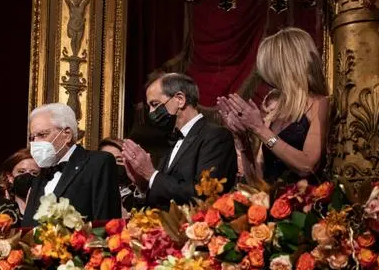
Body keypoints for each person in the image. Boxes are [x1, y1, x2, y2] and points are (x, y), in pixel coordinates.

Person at [216, 28, 330, 184]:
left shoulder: (319, 104)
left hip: (304, 203)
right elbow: (257, 180)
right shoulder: (274, 114)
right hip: (271, 204)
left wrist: (260, 129)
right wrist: (241, 138)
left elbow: (307, 166)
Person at [122, 73, 238, 209]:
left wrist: (151, 174)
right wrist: (143, 185)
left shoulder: (216, 136)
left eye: (155, 104)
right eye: (150, 107)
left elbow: (205, 196)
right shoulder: (172, 140)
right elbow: (162, 198)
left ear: (180, 99)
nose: (151, 113)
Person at [22, 103, 121, 227]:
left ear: (67, 134)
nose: (36, 142)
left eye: (42, 135)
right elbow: (28, 226)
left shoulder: (97, 163)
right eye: (32, 137)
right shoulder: (41, 174)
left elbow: (106, 223)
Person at [0, 149, 40, 218]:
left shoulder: (46, 214)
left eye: (34, 173)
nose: (27, 176)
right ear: (10, 177)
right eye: (21, 171)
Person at [99, 138, 135, 218]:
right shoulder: (93, 195)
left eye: (119, 160)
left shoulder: (137, 196)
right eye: (107, 161)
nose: (113, 165)